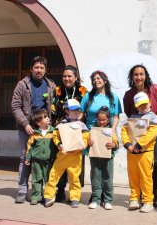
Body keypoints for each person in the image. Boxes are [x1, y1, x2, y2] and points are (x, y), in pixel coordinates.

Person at [11, 56, 56, 203]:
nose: (39, 70)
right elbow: (15, 106)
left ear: (45, 70)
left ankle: (43, 192)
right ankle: (23, 190)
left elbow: (54, 107)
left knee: (46, 159)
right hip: (27, 129)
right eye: (36, 67)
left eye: (42, 68)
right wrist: (25, 124)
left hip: (45, 130)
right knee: (26, 158)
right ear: (31, 69)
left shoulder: (51, 85)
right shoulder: (23, 84)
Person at [123, 64, 157, 207]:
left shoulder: (155, 88)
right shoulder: (129, 94)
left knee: (154, 162)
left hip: (154, 130)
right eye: (136, 74)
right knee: (137, 163)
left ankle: (153, 194)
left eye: (141, 74)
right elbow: (129, 113)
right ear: (132, 77)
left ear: (145, 75)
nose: (139, 77)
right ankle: (138, 195)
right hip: (137, 132)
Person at [80, 70, 122, 203]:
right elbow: (81, 114)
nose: (96, 81)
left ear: (105, 80)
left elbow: (116, 116)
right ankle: (96, 194)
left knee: (106, 166)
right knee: (95, 168)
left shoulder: (113, 97)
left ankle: (105, 195)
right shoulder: (88, 96)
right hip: (92, 135)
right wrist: (75, 124)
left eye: (98, 78)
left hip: (106, 134)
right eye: (93, 79)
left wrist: (113, 129)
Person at [51, 65, 88, 202]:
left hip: (77, 130)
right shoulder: (58, 90)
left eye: (69, 76)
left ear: (76, 77)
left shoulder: (83, 91)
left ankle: (75, 194)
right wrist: (57, 127)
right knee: (60, 161)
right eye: (64, 76)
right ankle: (60, 190)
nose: (66, 78)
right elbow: (53, 108)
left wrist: (79, 126)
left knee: (76, 164)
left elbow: (85, 109)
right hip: (61, 130)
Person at [44, 99, 89, 208]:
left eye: (77, 110)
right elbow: (55, 136)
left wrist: (83, 145)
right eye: (73, 110)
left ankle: (74, 198)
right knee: (53, 175)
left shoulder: (82, 125)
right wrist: (60, 145)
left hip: (76, 156)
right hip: (62, 155)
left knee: (75, 178)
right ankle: (48, 196)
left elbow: (85, 138)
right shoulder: (61, 124)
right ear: (67, 111)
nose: (75, 112)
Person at [121, 93, 157, 213]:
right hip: (132, 153)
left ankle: (148, 201)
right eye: (140, 105)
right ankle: (134, 198)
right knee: (133, 176)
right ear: (136, 106)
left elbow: (153, 132)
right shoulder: (133, 116)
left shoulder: (153, 117)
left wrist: (139, 144)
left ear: (149, 103)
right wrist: (127, 144)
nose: (143, 106)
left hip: (145, 152)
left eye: (145, 103)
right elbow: (124, 130)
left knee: (146, 177)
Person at [87, 106, 119, 210]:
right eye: (99, 119)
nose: (101, 122)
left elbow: (116, 143)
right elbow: (86, 141)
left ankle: (108, 201)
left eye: (104, 120)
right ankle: (96, 200)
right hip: (95, 158)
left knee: (108, 179)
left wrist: (114, 145)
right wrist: (89, 142)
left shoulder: (111, 131)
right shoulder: (92, 130)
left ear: (108, 120)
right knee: (96, 179)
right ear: (96, 119)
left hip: (108, 159)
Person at [24, 109, 57, 205]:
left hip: (50, 161)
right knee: (36, 179)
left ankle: (49, 196)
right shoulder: (34, 134)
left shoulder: (53, 132)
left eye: (48, 116)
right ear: (38, 122)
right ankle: (35, 196)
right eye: (45, 117)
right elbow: (30, 147)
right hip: (36, 161)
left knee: (49, 179)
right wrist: (28, 158)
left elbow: (57, 146)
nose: (48, 118)